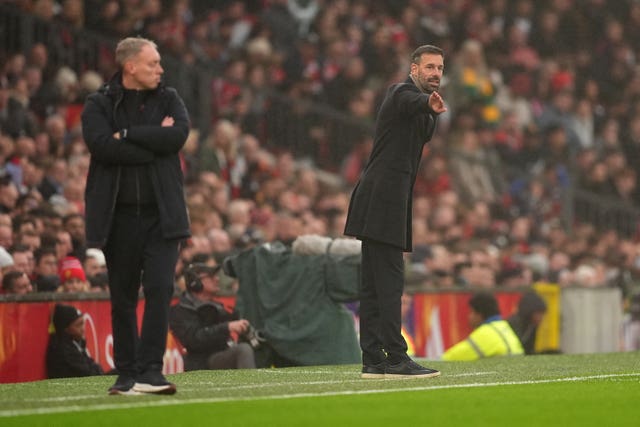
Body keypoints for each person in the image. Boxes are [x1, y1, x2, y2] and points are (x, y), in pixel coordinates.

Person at [81, 36, 191, 395]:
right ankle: (126, 374)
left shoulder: (169, 97)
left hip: (163, 216)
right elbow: (100, 145)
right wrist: (150, 146)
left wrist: (127, 135)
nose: (160, 69)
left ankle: (150, 372)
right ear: (130, 67)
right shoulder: (99, 103)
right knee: (123, 296)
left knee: (160, 288)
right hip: (119, 216)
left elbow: (176, 138)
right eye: (152, 63)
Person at [344, 45, 446, 378]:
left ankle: (373, 358)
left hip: (383, 200)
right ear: (414, 69)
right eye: (429, 67)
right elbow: (406, 99)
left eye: (440, 68)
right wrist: (426, 104)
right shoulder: (400, 92)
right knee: (389, 282)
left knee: (374, 283)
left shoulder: (425, 109)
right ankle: (396, 357)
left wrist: (428, 108)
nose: (435, 73)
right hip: (384, 199)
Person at [169, 263, 256, 371]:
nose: (217, 279)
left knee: (257, 346)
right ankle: (252, 386)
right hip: (200, 362)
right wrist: (227, 327)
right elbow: (194, 340)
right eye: (211, 276)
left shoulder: (218, 306)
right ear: (195, 282)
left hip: (220, 355)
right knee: (243, 350)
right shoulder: (181, 310)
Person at [442, 292, 524, 361]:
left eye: (471, 312)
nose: (469, 317)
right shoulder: (503, 325)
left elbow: (450, 358)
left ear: (479, 314)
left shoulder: (486, 333)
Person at [46, 303, 104, 378]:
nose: (83, 329)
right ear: (66, 329)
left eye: (82, 323)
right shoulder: (63, 350)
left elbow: (93, 366)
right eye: (78, 325)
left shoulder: (76, 343)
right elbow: (89, 373)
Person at [506, 290, 547, 354]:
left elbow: (530, 349)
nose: (541, 318)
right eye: (538, 313)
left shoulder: (532, 325)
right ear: (529, 311)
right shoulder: (514, 323)